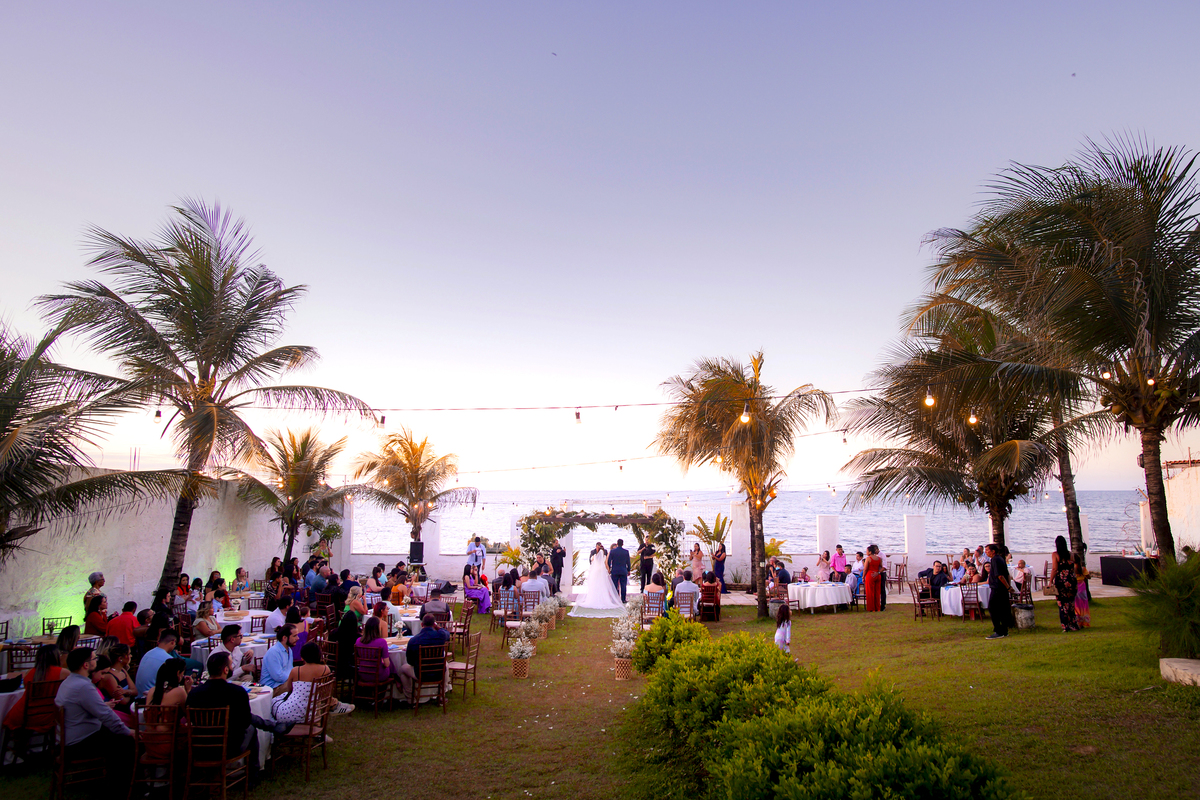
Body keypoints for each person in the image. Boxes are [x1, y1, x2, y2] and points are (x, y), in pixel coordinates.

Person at [55, 648, 133, 789]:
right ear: (86, 665)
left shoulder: (69, 681)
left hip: (69, 737)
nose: (96, 661)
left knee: (116, 735)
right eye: (94, 659)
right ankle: (120, 787)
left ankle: (114, 782)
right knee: (126, 741)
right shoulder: (84, 686)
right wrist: (128, 732)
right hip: (78, 742)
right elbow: (106, 715)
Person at [272, 641, 354, 722]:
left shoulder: (295, 671)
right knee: (314, 694)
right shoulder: (325, 669)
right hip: (310, 715)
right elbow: (324, 693)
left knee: (274, 701)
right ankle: (334, 706)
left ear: (302, 657)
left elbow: (289, 689)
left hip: (287, 713)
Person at [3, 644, 64, 731]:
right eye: (60, 654)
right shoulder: (63, 673)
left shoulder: (29, 673)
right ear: (55, 657)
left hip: (22, 716)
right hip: (45, 717)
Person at [398, 613, 451, 700]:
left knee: (402, 669)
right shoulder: (440, 636)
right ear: (434, 624)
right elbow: (447, 634)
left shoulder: (414, 640)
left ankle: (409, 697)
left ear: (422, 624)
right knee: (445, 664)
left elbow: (410, 661)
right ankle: (442, 694)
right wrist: (437, 627)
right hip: (438, 671)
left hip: (420, 673)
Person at [575, 542, 626, 613]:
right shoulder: (602, 555)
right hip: (601, 572)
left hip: (597, 572)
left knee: (597, 586)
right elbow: (606, 563)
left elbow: (592, 561)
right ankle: (604, 599)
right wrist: (608, 570)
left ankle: (595, 599)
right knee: (602, 586)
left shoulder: (595, 556)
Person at [92, 643, 137, 719]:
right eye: (129, 654)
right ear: (120, 658)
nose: (131, 656)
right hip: (118, 711)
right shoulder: (109, 677)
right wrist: (130, 693)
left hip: (128, 705)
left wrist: (125, 692)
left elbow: (135, 691)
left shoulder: (122, 670)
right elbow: (123, 701)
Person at [134, 629, 183, 697]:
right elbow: (173, 684)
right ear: (173, 642)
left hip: (139, 695)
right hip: (151, 698)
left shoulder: (149, 653)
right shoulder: (168, 660)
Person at [354, 616, 395, 688]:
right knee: (391, 664)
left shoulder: (358, 641)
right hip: (378, 675)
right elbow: (387, 664)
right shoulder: (382, 642)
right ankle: (397, 685)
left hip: (362, 674)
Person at [985, 543, 1015, 640]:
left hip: (998, 588)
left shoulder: (995, 560)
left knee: (993, 608)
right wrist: (1008, 587)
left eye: (987, 550)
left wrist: (1007, 587)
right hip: (1000, 588)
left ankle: (999, 630)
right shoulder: (1000, 559)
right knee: (1002, 609)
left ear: (993, 551)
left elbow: (1001, 576)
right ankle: (1004, 630)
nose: (986, 552)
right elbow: (1007, 574)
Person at [261, 623, 299, 689]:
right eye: (294, 636)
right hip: (271, 687)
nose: (298, 638)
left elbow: (290, 670)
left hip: (283, 683)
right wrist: (295, 678)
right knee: (298, 687)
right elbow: (278, 677)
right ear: (284, 638)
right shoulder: (273, 652)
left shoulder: (289, 649)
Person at [864, 544, 883, 612]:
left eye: (867, 551)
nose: (866, 552)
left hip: (870, 575)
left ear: (870, 552)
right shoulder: (879, 558)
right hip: (877, 575)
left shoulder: (868, 558)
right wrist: (878, 572)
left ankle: (871, 608)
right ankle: (877, 607)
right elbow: (881, 567)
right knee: (877, 592)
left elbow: (865, 568)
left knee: (870, 592)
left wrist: (863, 576)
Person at [1074, 556, 1091, 628]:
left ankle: (1077, 620)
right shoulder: (1083, 569)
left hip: (1075, 587)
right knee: (1083, 604)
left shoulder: (1072, 569)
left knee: (1076, 604)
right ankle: (1083, 620)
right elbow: (1088, 577)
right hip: (1082, 588)